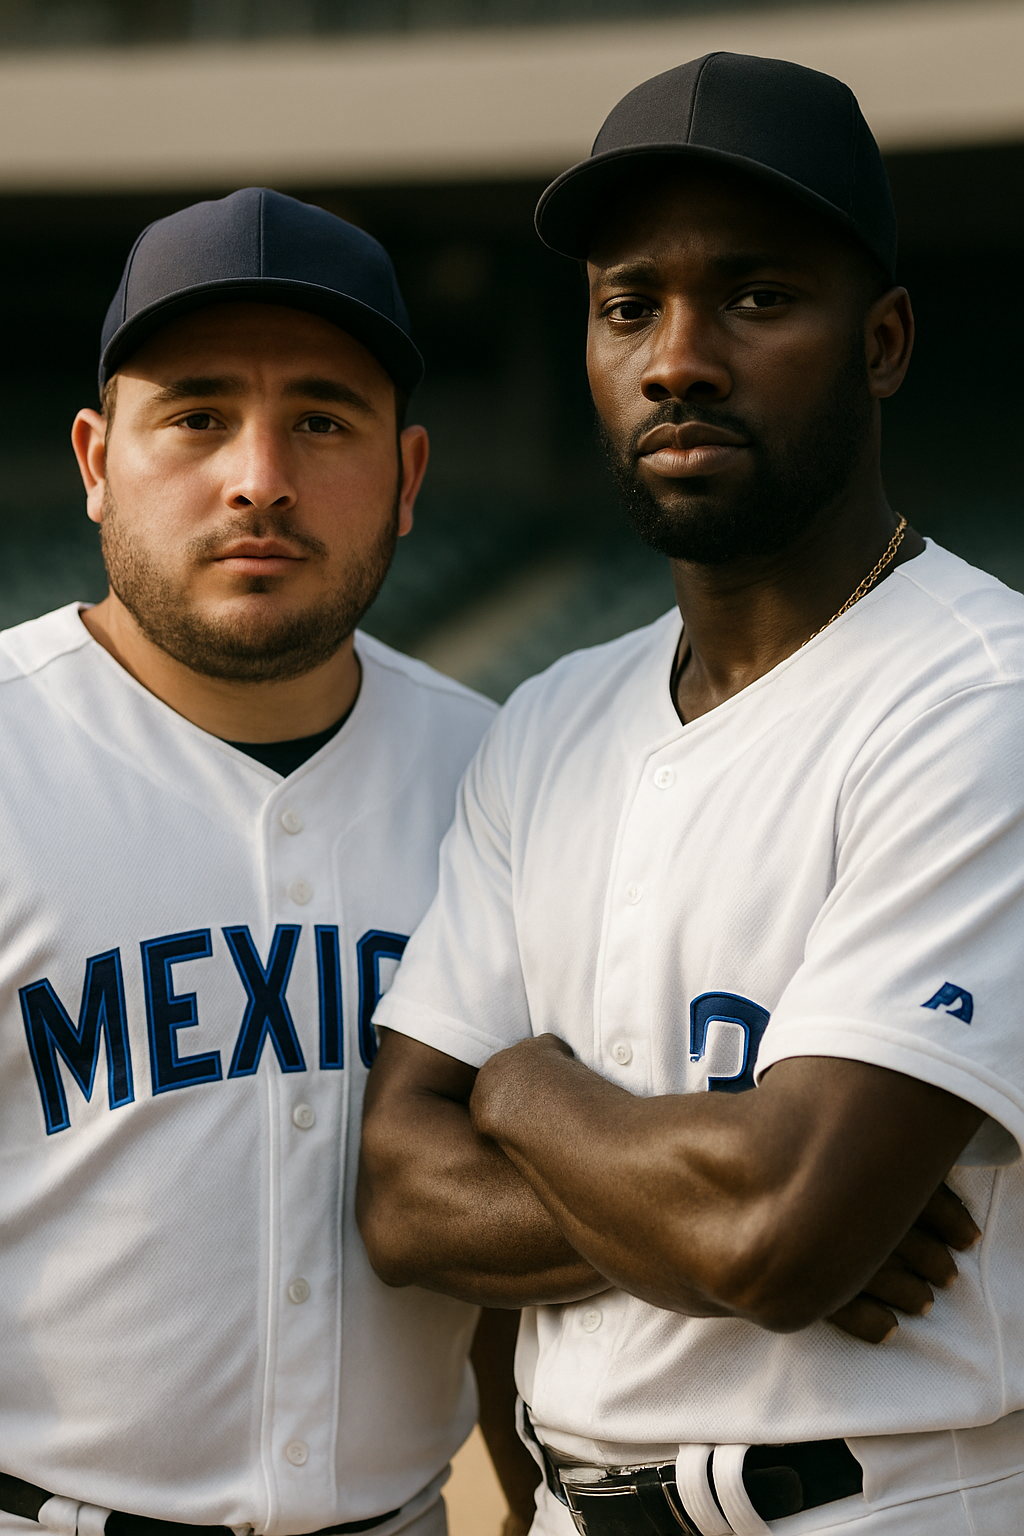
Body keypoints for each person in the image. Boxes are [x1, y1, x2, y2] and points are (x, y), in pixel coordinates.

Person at [356, 55, 1024, 1536]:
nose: (679, 358)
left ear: (886, 342)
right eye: (628, 306)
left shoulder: (980, 699)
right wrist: (709, 1199)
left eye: (759, 297)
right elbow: (402, 1188)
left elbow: (777, 1228)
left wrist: (522, 1088)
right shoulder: (546, 721)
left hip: (890, 1503)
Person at [0, 187, 537, 1536]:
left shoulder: (505, 778)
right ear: (93, 459)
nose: (260, 478)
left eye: (322, 418)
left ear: (408, 478)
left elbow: (503, 1251)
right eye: (194, 416)